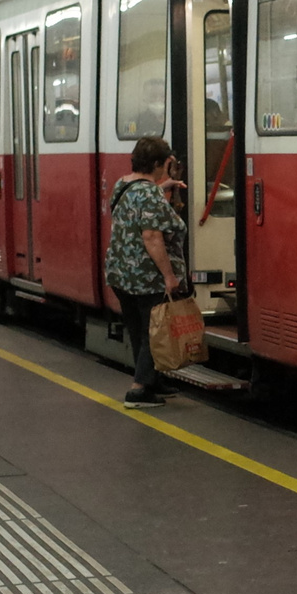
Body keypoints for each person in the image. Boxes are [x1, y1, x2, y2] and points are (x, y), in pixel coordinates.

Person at [105, 136, 187, 408]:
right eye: (166, 164)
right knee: (154, 332)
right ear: (157, 163)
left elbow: (139, 202)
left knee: (139, 329)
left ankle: (151, 378)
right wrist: (169, 276)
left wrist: (165, 186)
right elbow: (152, 237)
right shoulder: (149, 193)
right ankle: (139, 390)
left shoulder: (122, 184)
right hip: (146, 277)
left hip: (120, 273)